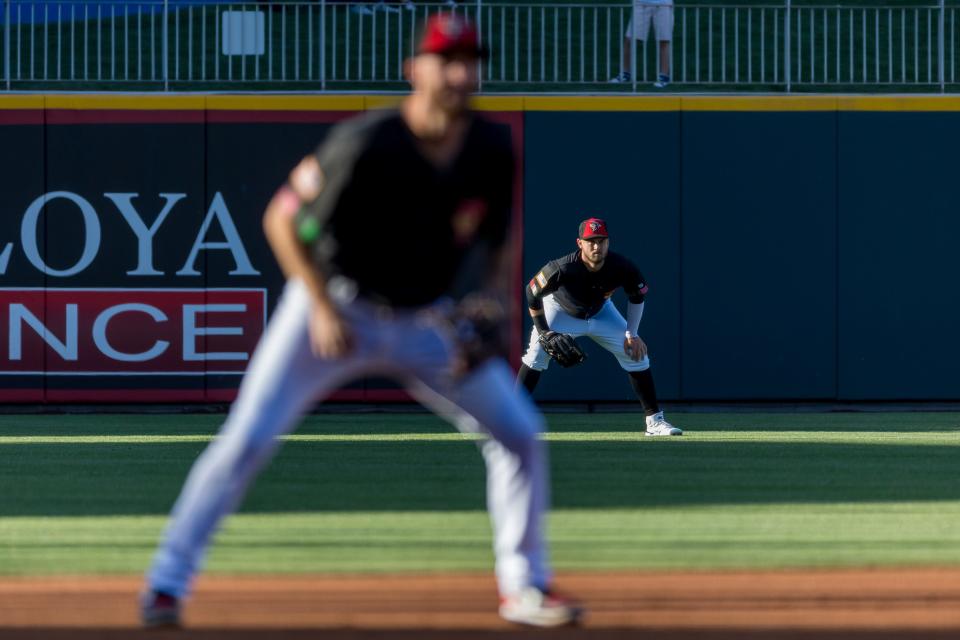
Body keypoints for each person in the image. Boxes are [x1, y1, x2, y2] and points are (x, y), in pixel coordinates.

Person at [139, 13, 581, 630]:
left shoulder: (490, 147)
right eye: (446, 60)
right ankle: (166, 582)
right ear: (414, 71)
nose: (461, 73)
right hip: (333, 308)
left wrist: (490, 303)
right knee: (246, 441)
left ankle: (525, 585)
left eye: (470, 60)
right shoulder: (367, 141)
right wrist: (319, 304)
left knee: (519, 435)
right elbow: (281, 220)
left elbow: (500, 241)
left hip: (424, 322)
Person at [516, 218, 682, 437]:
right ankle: (508, 418)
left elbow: (637, 296)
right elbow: (531, 292)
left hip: (601, 311)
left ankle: (655, 422)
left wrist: (632, 334)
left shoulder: (621, 266)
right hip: (560, 311)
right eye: (590, 241)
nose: (596, 246)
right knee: (536, 356)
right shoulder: (563, 267)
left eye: (601, 240)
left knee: (636, 354)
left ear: (608, 242)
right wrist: (544, 330)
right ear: (579, 243)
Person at [610, 0, 673, 88]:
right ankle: (625, 73)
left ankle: (664, 77)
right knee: (630, 38)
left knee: (664, 40)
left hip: (663, 3)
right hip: (640, 2)